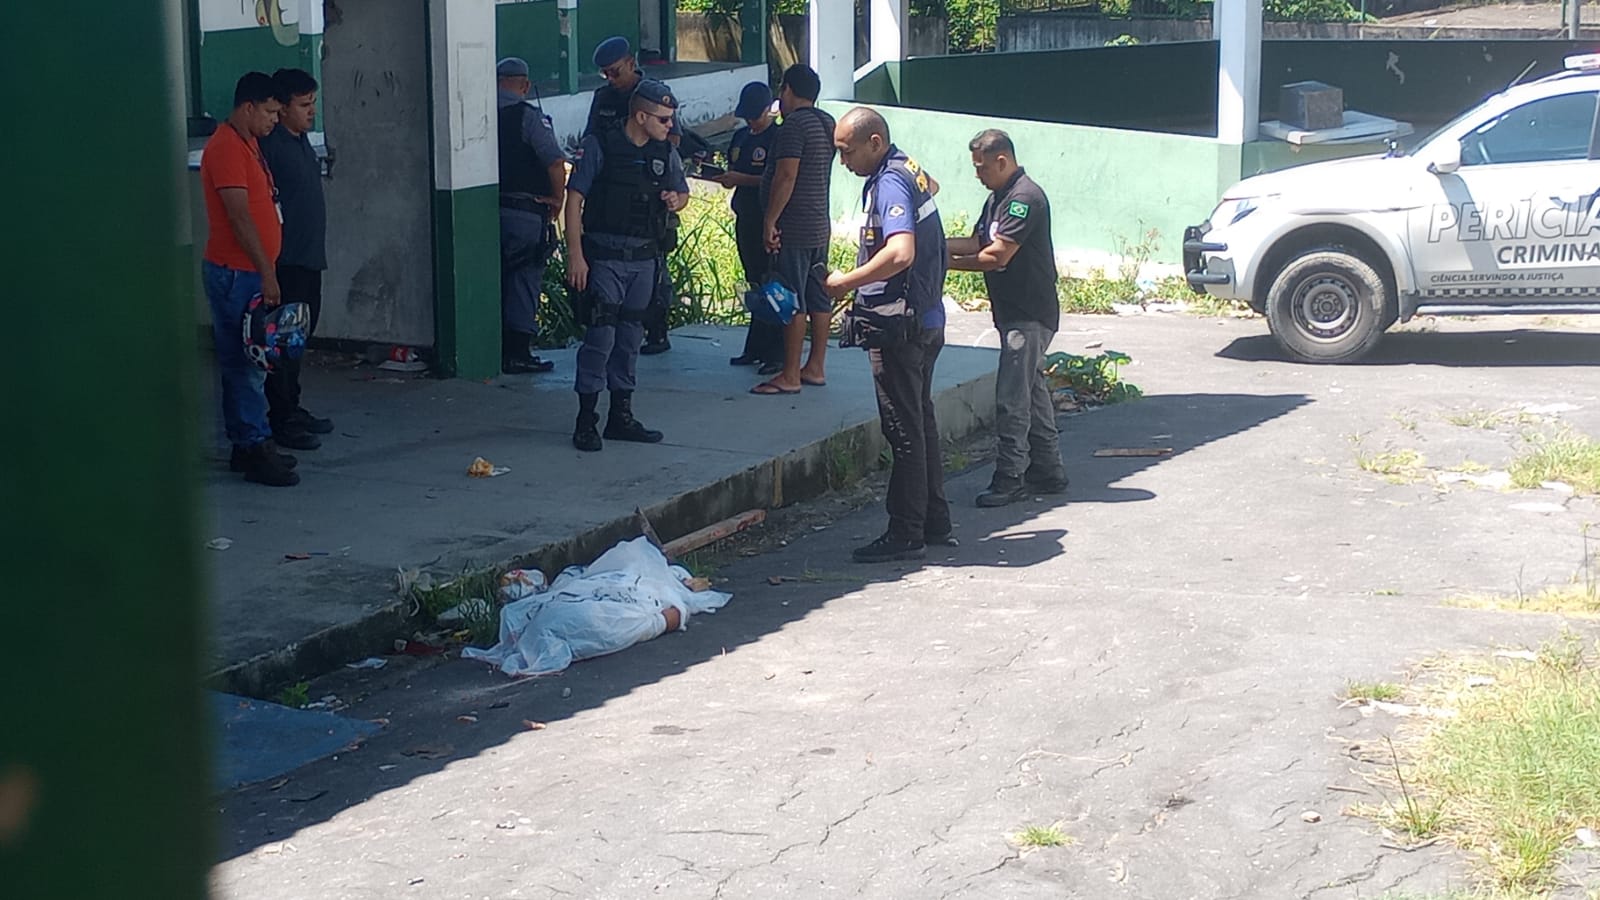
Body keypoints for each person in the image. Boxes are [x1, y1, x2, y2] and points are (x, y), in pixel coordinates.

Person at [825, 107, 952, 562]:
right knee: (921, 422)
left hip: (900, 326)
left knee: (904, 430)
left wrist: (848, 281)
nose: (843, 162)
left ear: (874, 143)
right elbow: (932, 188)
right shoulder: (908, 169)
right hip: (927, 318)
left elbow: (900, 251)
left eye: (846, 151)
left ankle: (906, 532)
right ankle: (935, 521)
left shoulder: (891, 180)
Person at [564, 79, 689, 452]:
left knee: (630, 337)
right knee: (600, 337)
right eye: (664, 119)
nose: (671, 126)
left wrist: (674, 200)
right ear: (640, 115)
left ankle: (621, 416)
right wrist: (575, 255)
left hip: (645, 259)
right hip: (604, 256)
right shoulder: (599, 144)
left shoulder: (664, 153)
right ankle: (586, 420)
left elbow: (682, 192)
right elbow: (574, 200)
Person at [948, 129, 1070, 507]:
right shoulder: (998, 198)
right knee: (1032, 392)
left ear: (1002, 161)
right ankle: (1048, 470)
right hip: (1015, 313)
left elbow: (998, 255)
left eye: (982, 168)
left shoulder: (1024, 199)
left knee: (1011, 399)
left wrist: (945, 264)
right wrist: (928, 243)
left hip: (1028, 314)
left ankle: (1010, 476)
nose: (977, 175)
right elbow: (977, 242)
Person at [201, 72, 297, 487]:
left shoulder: (249, 144)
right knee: (246, 364)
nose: (275, 119)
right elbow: (239, 217)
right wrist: (266, 270)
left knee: (252, 362)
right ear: (248, 107)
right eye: (271, 112)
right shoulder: (225, 148)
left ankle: (248, 444)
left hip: (249, 272)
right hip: (238, 274)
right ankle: (254, 445)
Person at [584, 36, 678, 356]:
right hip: (611, 192)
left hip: (651, 192)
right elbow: (591, 136)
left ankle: (657, 330)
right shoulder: (603, 99)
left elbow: (674, 138)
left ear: (630, 63)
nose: (611, 79)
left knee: (654, 273)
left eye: (615, 72)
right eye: (605, 74)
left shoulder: (653, 95)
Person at [751, 65, 837, 396]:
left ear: (787, 89)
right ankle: (814, 366)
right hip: (819, 223)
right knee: (817, 294)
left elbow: (786, 176)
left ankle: (789, 374)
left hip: (795, 226)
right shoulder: (826, 123)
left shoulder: (793, 128)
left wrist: (770, 220)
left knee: (791, 296)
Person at [258, 67, 332, 453]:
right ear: (281, 108)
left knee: (298, 341)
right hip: (286, 263)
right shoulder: (271, 148)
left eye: (313, 103)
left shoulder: (301, 140)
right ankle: (279, 418)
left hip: (308, 259)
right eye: (304, 105)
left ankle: (293, 406)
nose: (311, 111)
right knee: (281, 344)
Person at [495, 57, 567, 375]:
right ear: (524, 85)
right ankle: (519, 352)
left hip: (487, 212)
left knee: (496, 280)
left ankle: (494, 347)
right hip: (524, 213)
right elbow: (554, 162)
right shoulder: (528, 116)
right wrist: (557, 199)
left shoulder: (477, 114)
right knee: (524, 280)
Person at [714, 81, 784, 371]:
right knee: (753, 281)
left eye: (756, 115)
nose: (751, 121)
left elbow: (776, 178)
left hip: (769, 218)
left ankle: (775, 352)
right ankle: (754, 346)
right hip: (745, 216)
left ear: (769, 110)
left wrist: (740, 179)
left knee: (772, 282)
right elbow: (734, 170)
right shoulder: (741, 137)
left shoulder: (777, 138)